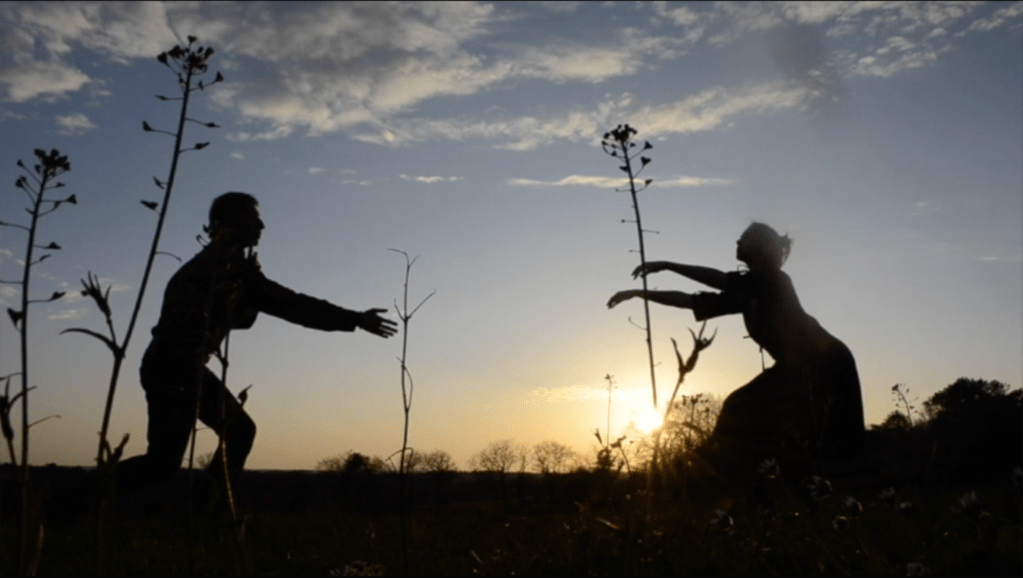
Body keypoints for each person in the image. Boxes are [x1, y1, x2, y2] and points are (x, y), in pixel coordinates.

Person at [116, 192, 397, 495]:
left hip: (177, 365)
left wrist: (252, 288)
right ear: (230, 222)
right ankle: (91, 496)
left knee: (222, 439)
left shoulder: (225, 265)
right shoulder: (226, 268)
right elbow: (291, 305)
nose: (261, 225)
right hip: (175, 366)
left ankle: (206, 507)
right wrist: (356, 319)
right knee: (170, 461)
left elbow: (246, 314)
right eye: (253, 218)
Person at [607, 222, 864, 484]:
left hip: (826, 362)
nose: (737, 243)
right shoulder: (746, 293)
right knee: (765, 418)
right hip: (797, 366)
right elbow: (689, 301)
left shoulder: (773, 279)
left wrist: (668, 265)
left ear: (761, 247)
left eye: (744, 239)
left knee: (819, 435)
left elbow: (721, 280)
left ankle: (718, 477)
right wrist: (639, 293)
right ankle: (743, 481)